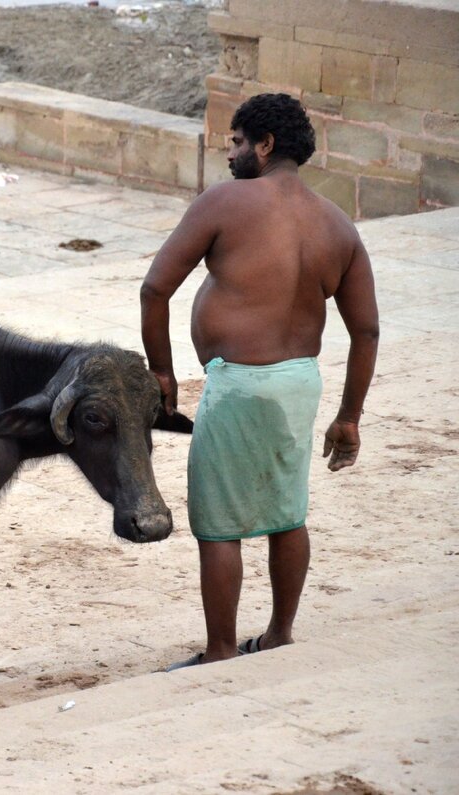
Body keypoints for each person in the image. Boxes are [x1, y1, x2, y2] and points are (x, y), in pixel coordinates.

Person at [139, 93, 379, 669]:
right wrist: (349, 417)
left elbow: (154, 289)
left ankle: (221, 649)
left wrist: (162, 371)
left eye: (237, 141)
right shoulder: (338, 224)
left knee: (219, 525)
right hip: (300, 382)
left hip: (239, 385)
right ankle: (278, 635)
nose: (229, 153)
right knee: (286, 511)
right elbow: (366, 330)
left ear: (265, 145)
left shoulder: (226, 202)